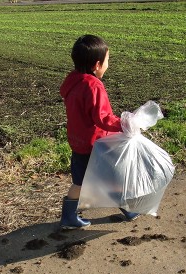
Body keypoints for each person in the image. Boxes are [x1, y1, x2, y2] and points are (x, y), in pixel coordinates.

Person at [59, 34, 139, 229]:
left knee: (79, 182)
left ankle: (68, 216)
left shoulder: (72, 80)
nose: (108, 65)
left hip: (78, 143)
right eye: (107, 61)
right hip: (97, 144)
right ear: (97, 65)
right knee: (114, 177)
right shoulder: (93, 86)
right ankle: (128, 209)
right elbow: (102, 118)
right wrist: (125, 124)